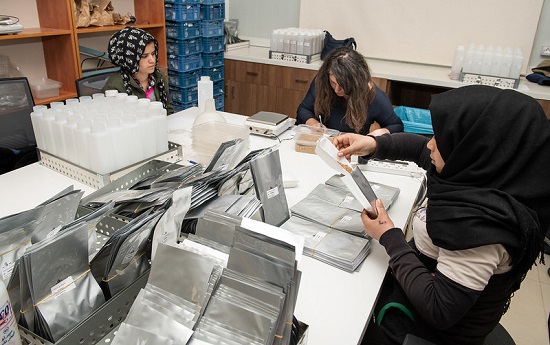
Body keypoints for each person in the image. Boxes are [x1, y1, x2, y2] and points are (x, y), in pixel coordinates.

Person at [333, 85, 550, 345]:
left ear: (473, 147)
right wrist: (374, 144)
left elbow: (438, 309)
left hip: (429, 332)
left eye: (440, 138)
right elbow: (419, 150)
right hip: (419, 289)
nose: (430, 143)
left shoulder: (482, 228)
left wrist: (389, 235)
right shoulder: (482, 174)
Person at [296, 46, 403, 135]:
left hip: (352, 149)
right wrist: (314, 124)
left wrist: (376, 135)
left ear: (356, 83)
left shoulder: (374, 96)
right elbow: (304, 109)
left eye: (343, 86)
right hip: (322, 143)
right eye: (333, 83)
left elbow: (396, 126)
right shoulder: (322, 82)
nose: (337, 90)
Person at [102, 26, 174, 114]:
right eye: (144, 56)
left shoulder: (159, 77)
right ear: (130, 59)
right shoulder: (114, 87)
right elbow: (115, 121)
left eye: (153, 53)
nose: (152, 60)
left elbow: (169, 109)